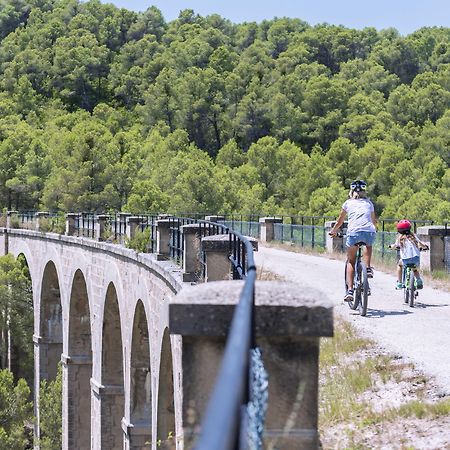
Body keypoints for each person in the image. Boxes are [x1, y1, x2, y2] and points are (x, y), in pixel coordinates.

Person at [329, 180, 377, 302]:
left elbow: (340, 221)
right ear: (364, 192)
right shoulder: (369, 203)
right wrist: (373, 229)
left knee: (351, 261)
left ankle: (350, 290)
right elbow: (373, 221)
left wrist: (334, 231)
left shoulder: (347, 203)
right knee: (368, 244)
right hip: (368, 231)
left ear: (351, 192)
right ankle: (368, 268)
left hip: (354, 232)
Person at [388, 219, 429, 289]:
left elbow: (394, 246)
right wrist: (425, 247)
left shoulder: (400, 238)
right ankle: (419, 280)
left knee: (399, 265)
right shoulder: (413, 236)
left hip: (405, 260)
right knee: (414, 268)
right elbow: (420, 244)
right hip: (416, 258)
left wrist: (390, 247)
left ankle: (399, 283)